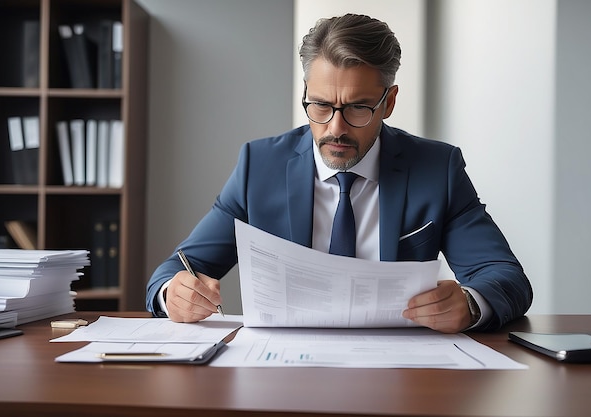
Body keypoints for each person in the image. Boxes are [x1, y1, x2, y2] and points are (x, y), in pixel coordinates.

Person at [146, 13, 532, 333]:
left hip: (400, 371)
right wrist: (173, 293)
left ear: (389, 102)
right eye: (320, 105)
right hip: (280, 373)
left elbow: (505, 277)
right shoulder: (259, 166)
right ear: (306, 93)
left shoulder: (436, 169)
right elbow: (174, 270)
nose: (335, 128)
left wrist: (468, 303)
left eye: (358, 108)